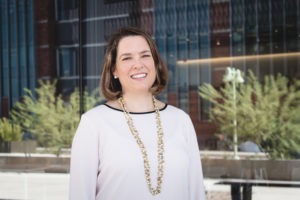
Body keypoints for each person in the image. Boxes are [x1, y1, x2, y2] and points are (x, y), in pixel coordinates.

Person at [69, 27, 206, 200]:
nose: (138, 64)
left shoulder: (181, 120)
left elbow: (196, 192)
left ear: (155, 63)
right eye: (127, 58)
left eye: (145, 55)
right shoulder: (93, 123)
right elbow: (80, 195)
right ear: (114, 70)